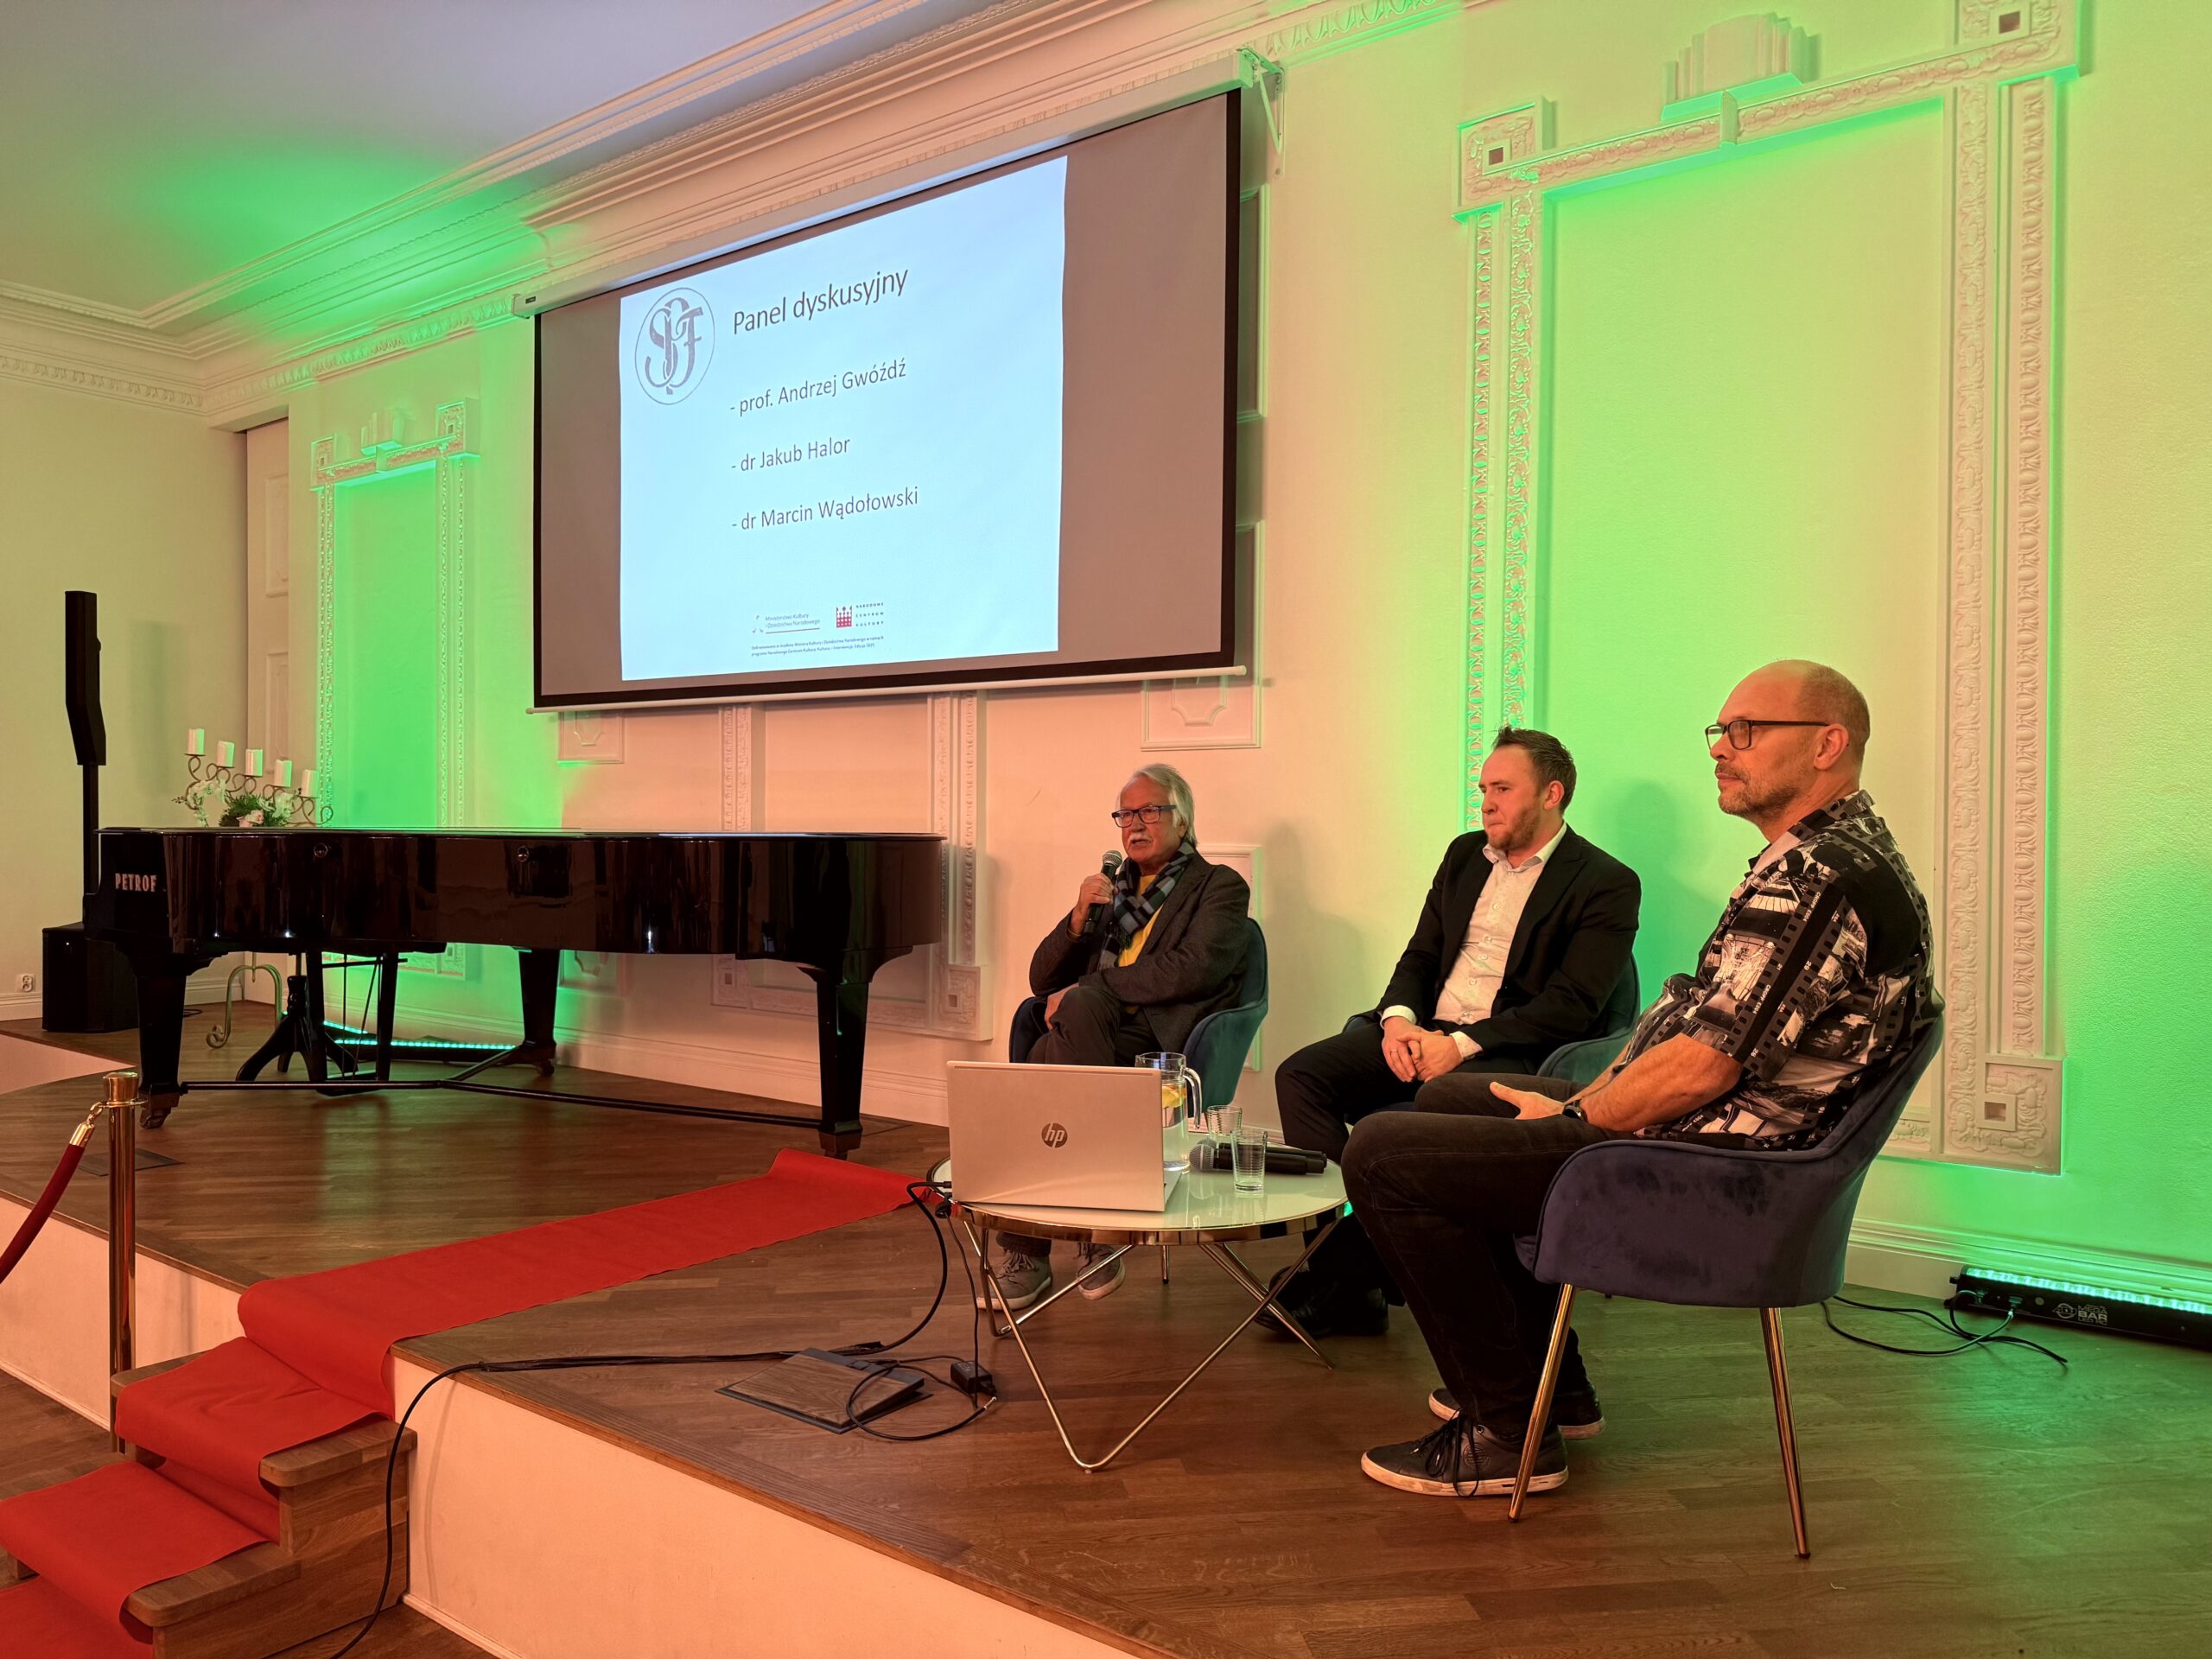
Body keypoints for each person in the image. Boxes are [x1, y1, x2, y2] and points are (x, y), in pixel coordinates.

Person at [1344, 661, 1938, 1501]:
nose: (1721, 749)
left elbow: (1704, 1066)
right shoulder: (1819, 856)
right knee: (1448, 1098)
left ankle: (1503, 1430)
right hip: (1701, 1127)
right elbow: (1701, 1028)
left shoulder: (1823, 876)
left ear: (1827, 745)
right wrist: (1578, 1102)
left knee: (1381, 1155)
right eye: (1720, 732)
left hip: (1721, 1168)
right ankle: (1554, 1388)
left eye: (1747, 731)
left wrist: (1575, 1118)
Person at [1268, 728, 1639, 1338]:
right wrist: (1397, 1021)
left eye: (1502, 789)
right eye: (1483, 789)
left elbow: (1572, 1006)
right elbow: (1421, 954)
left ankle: (1345, 1277)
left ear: (1551, 794)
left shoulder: (1605, 881)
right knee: (1302, 1076)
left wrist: (1462, 1045)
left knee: (1417, 1115)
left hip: (1506, 1050)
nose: (1486, 803)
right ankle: (1354, 1271)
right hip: (1426, 1032)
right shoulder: (1465, 854)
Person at [989, 764, 1251, 1309]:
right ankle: (1095, 1234)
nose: (1134, 823)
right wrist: (1077, 918)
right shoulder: (1112, 891)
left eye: (1149, 810)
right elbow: (1040, 979)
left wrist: (1092, 986)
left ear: (1183, 820)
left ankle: (1031, 1250)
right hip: (1094, 1031)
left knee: (1045, 1053)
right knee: (1061, 1032)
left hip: (1162, 1040)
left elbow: (1195, 968)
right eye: (1125, 814)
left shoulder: (1220, 886)